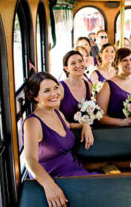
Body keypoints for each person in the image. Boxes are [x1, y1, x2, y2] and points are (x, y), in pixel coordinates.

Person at [23, 72, 95, 207]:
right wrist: (49, 186)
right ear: (36, 97)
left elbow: (68, 125)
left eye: (56, 88)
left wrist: (84, 125)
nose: (54, 94)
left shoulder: (57, 113)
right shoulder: (32, 123)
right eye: (46, 91)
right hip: (56, 179)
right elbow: (30, 159)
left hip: (76, 171)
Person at [59, 50, 92, 123]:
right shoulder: (60, 87)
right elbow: (55, 114)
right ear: (66, 68)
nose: (78, 65)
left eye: (80, 61)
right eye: (73, 63)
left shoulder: (88, 85)